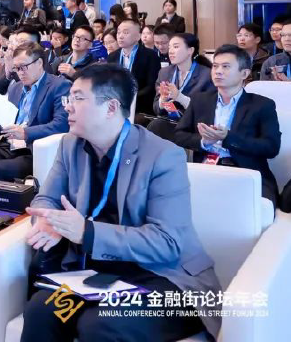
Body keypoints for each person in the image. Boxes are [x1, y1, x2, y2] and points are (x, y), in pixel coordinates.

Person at [21, 63, 219, 342]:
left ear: (111, 108)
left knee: (101, 324)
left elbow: (167, 243)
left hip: (162, 278)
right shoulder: (70, 145)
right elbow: (47, 198)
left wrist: (87, 232)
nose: (68, 107)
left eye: (78, 98)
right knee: (42, 310)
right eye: (69, 98)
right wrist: (47, 220)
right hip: (97, 276)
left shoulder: (163, 156)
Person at [172, 44, 281, 206]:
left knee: (257, 209)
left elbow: (271, 147)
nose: (218, 71)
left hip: (246, 172)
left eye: (226, 67)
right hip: (206, 170)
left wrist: (228, 138)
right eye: (215, 66)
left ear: (244, 73)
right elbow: (179, 135)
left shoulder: (262, 105)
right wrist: (203, 141)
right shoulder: (200, 100)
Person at [0, 43, 69, 192]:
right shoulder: (16, 87)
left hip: (33, 149)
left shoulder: (59, 86)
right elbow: (6, 122)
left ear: (39, 63)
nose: (20, 73)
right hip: (9, 145)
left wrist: (26, 133)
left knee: (1, 168)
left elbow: (61, 124)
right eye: (17, 68)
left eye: (24, 67)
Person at [146, 33, 214, 141]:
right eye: (170, 47)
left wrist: (179, 97)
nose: (171, 51)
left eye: (176, 47)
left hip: (193, 126)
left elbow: (205, 111)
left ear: (190, 50)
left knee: (156, 127)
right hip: (169, 122)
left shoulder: (206, 75)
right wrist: (162, 100)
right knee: (151, 125)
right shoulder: (165, 72)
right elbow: (156, 109)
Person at [107, 19, 160, 116]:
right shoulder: (112, 57)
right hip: (115, 105)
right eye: (118, 32)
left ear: (138, 36)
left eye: (126, 33)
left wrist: (130, 98)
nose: (120, 36)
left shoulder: (150, 56)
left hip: (140, 107)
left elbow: (151, 86)